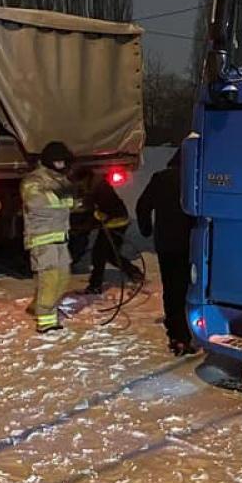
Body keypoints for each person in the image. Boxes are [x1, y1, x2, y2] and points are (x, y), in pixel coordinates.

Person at [136, 149, 196, 355]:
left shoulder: (160, 179)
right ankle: (191, 330)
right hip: (192, 245)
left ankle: (177, 335)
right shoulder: (195, 178)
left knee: (172, 289)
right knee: (190, 286)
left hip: (167, 244)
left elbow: (142, 205)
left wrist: (146, 229)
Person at [22, 141, 76, 333]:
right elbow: (37, 202)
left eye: (63, 161)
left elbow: (70, 203)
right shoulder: (35, 179)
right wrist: (63, 197)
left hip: (61, 237)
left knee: (63, 277)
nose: (61, 165)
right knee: (50, 279)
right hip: (42, 238)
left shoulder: (61, 179)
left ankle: (39, 306)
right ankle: (46, 321)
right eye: (57, 161)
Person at [80, 170, 142, 295]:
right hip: (116, 223)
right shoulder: (96, 186)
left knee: (99, 254)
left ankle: (95, 285)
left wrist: (95, 218)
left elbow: (108, 211)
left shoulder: (100, 189)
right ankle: (134, 272)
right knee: (111, 254)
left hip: (115, 224)